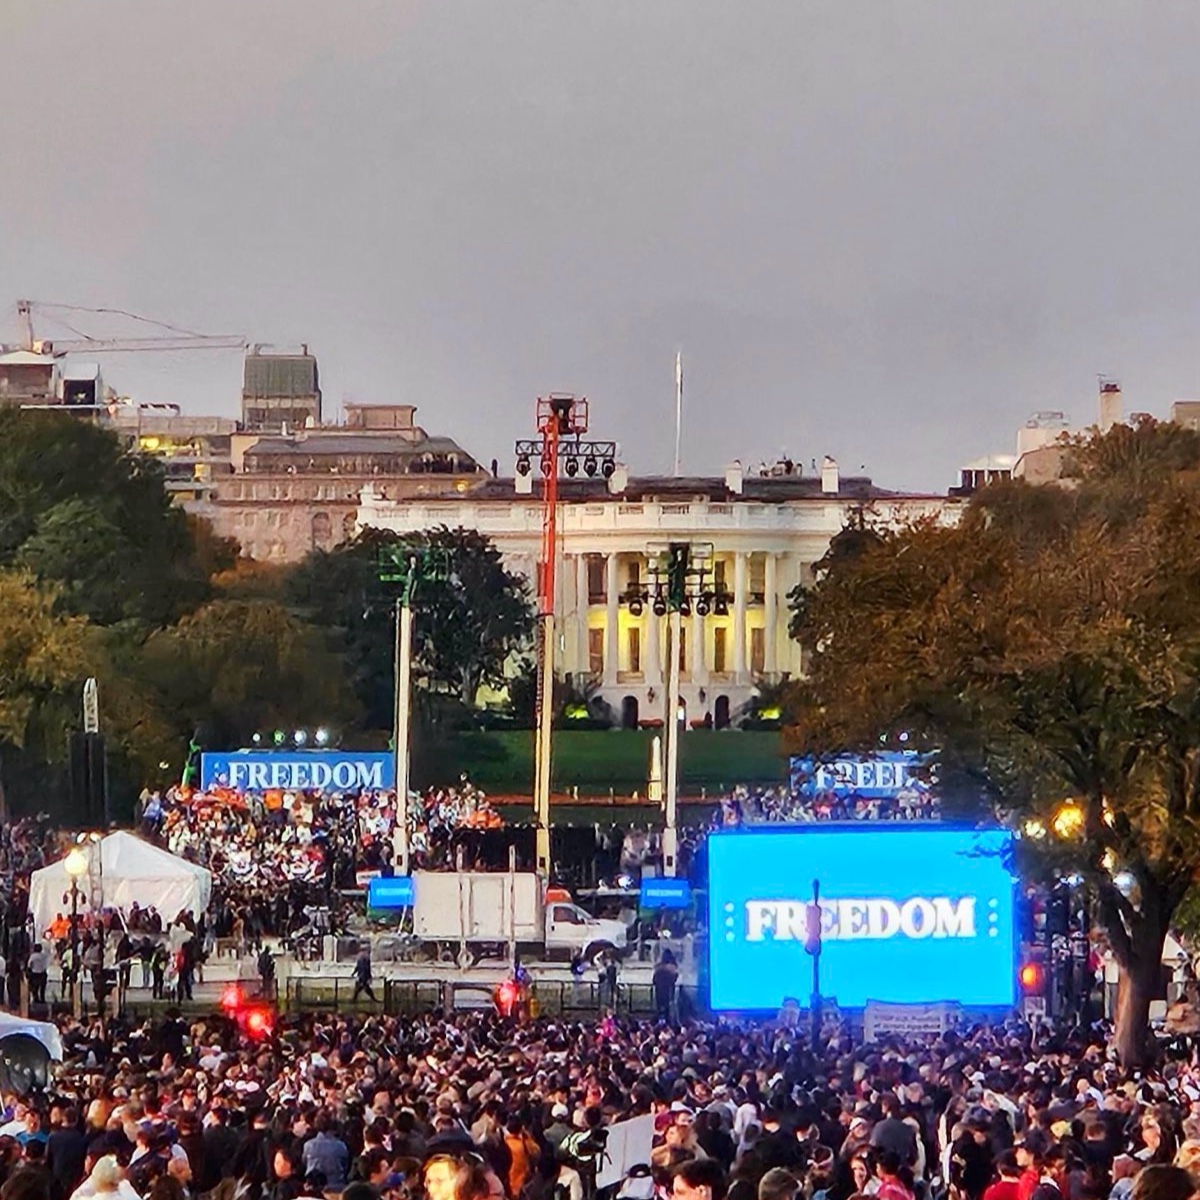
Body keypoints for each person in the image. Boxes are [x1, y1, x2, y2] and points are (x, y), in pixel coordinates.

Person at [653, 951, 679, 1023]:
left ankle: (661, 1019)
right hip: (667, 991)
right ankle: (667, 1020)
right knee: (667, 1007)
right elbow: (674, 978)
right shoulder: (672, 968)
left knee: (661, 1007)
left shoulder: (659, 968)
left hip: (661, 991)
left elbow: (654, 980)